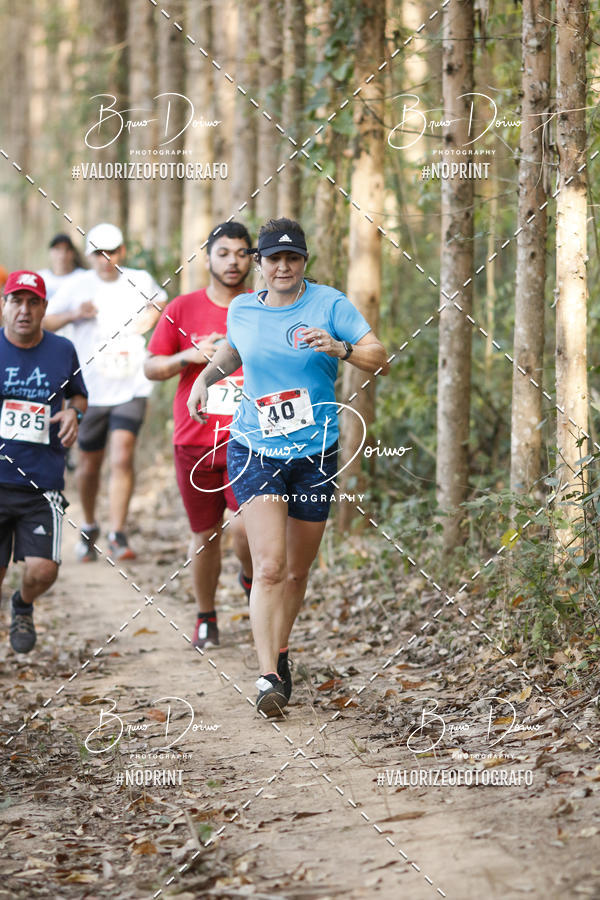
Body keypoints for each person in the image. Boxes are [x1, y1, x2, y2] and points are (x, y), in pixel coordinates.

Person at [187, 218, 390, 716]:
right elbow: (234, 348)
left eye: (292, 258)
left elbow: (380, 357)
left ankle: (279, 649)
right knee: (271, 566)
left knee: (297, 572)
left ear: (304, 262)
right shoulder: (243, 308)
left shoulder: (330, 304)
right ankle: (268, 679)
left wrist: (341, 348)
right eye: (273, 258)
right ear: (259, 262)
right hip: (255, 448)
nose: (283, 266)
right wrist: (204, 380)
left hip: (315, 453)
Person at [144, 222, 254, 649]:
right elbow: (151, 366)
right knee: (205, 535)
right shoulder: (182, 307)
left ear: (252, 259)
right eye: (223, 253)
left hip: (250, 439)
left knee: (245, 529)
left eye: (241, 253)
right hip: (194, 440)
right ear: (207, 257)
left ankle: (251, 579)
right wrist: (189, 355)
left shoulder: (261, 306)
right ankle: (206, 617)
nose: (233, 261)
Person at [44, 223, 167, 561]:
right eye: (98, 253)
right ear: (89, 255)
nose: (105, 259)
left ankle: (118, 532)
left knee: (122, 456)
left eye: (111, 251)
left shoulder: (139, 279)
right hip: (90, 389)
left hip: (132, 384)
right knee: (88, 464)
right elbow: (47, 321)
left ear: (121, 252)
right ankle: (89, 526)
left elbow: (160, 301)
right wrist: (75, 313)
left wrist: (148, 318)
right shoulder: (77, 285)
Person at [0, 270, 87, 653]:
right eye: (16, 301)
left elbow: (79, 395)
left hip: (41, 482)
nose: (24, 310)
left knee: (43, 569)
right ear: (4, 306)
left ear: (44, 307)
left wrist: (74, 414)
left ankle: (23, 604)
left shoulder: (62, 350)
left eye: (32, 302)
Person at [37, 233, 86, 300]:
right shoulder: (40, 278)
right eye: (57, 249)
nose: (62, 255)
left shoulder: (83, 277)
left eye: (67, 250)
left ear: (73, 253)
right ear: (50, 252)